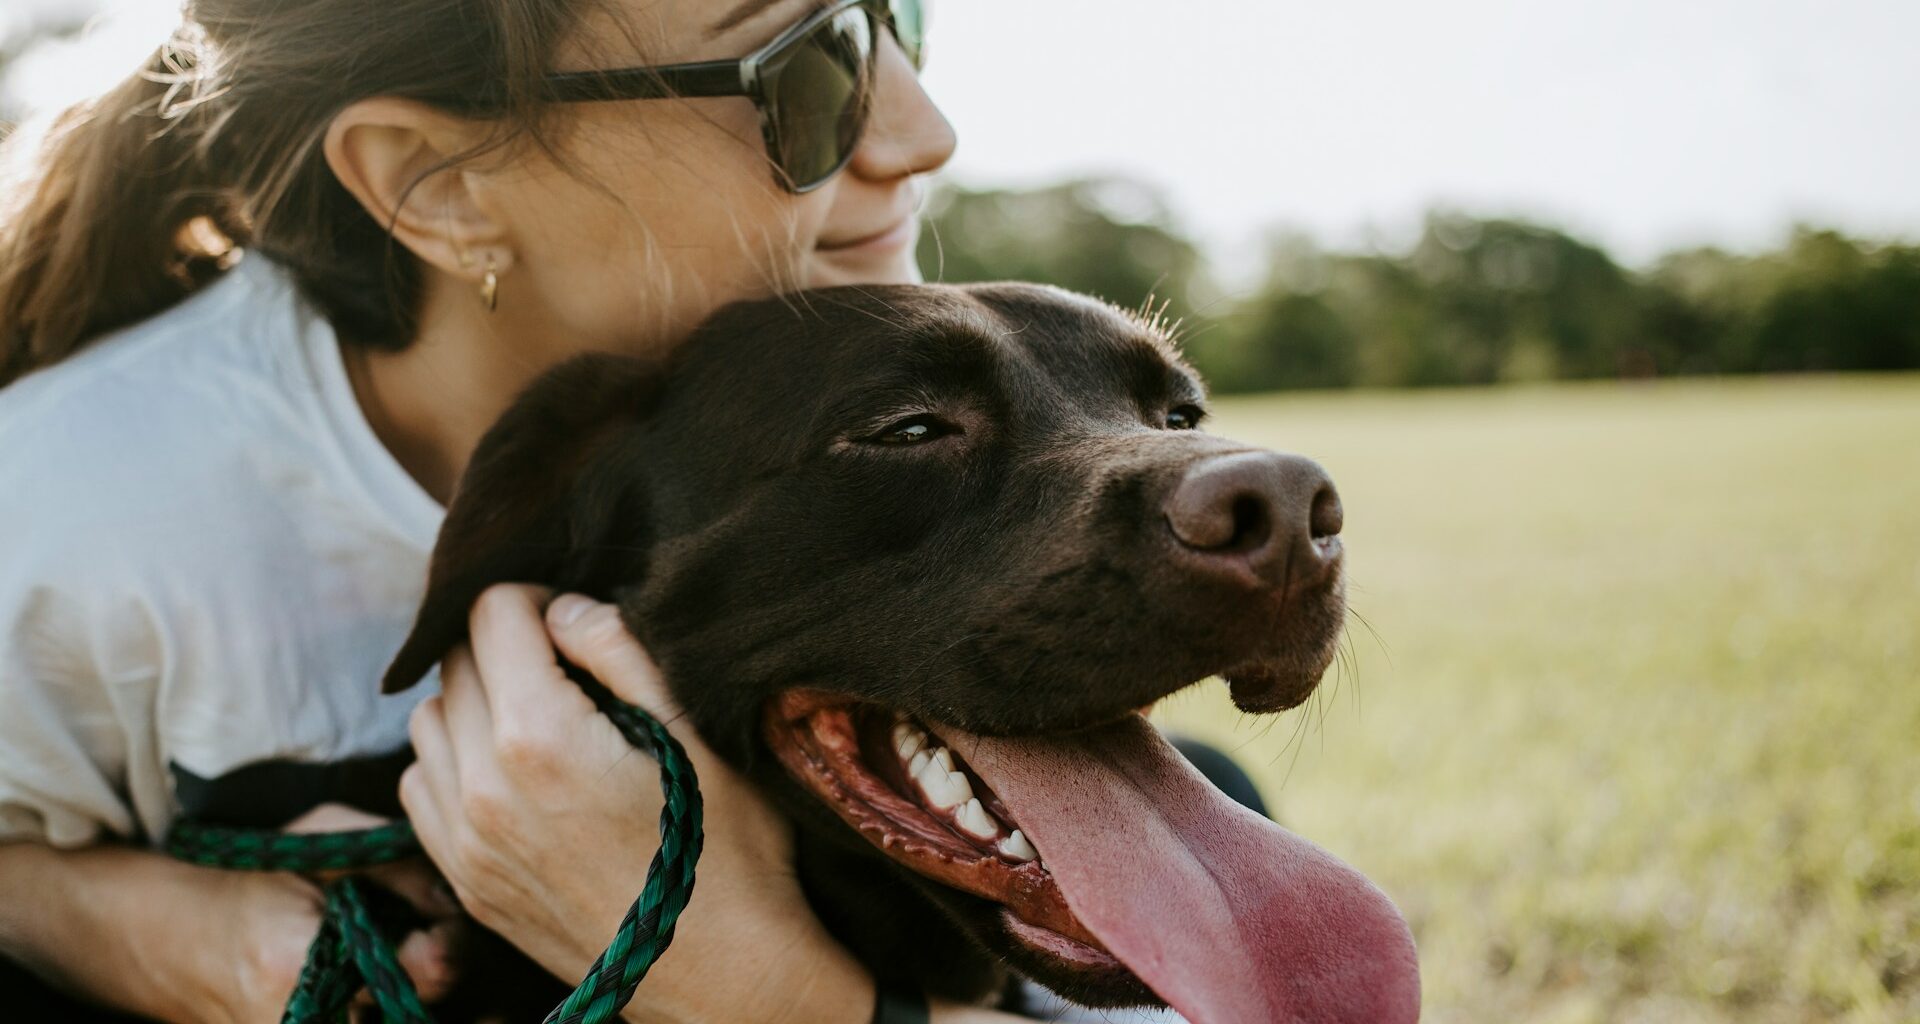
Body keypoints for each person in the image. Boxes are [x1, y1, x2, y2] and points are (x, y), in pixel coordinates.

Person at [0, 0, 1046, 1018]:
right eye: (810, 67)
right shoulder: (63, 510)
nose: (924, 133)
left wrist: (750, 980)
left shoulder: (902, 430)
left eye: (894, 13)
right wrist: (149, 932)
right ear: (438, 185)